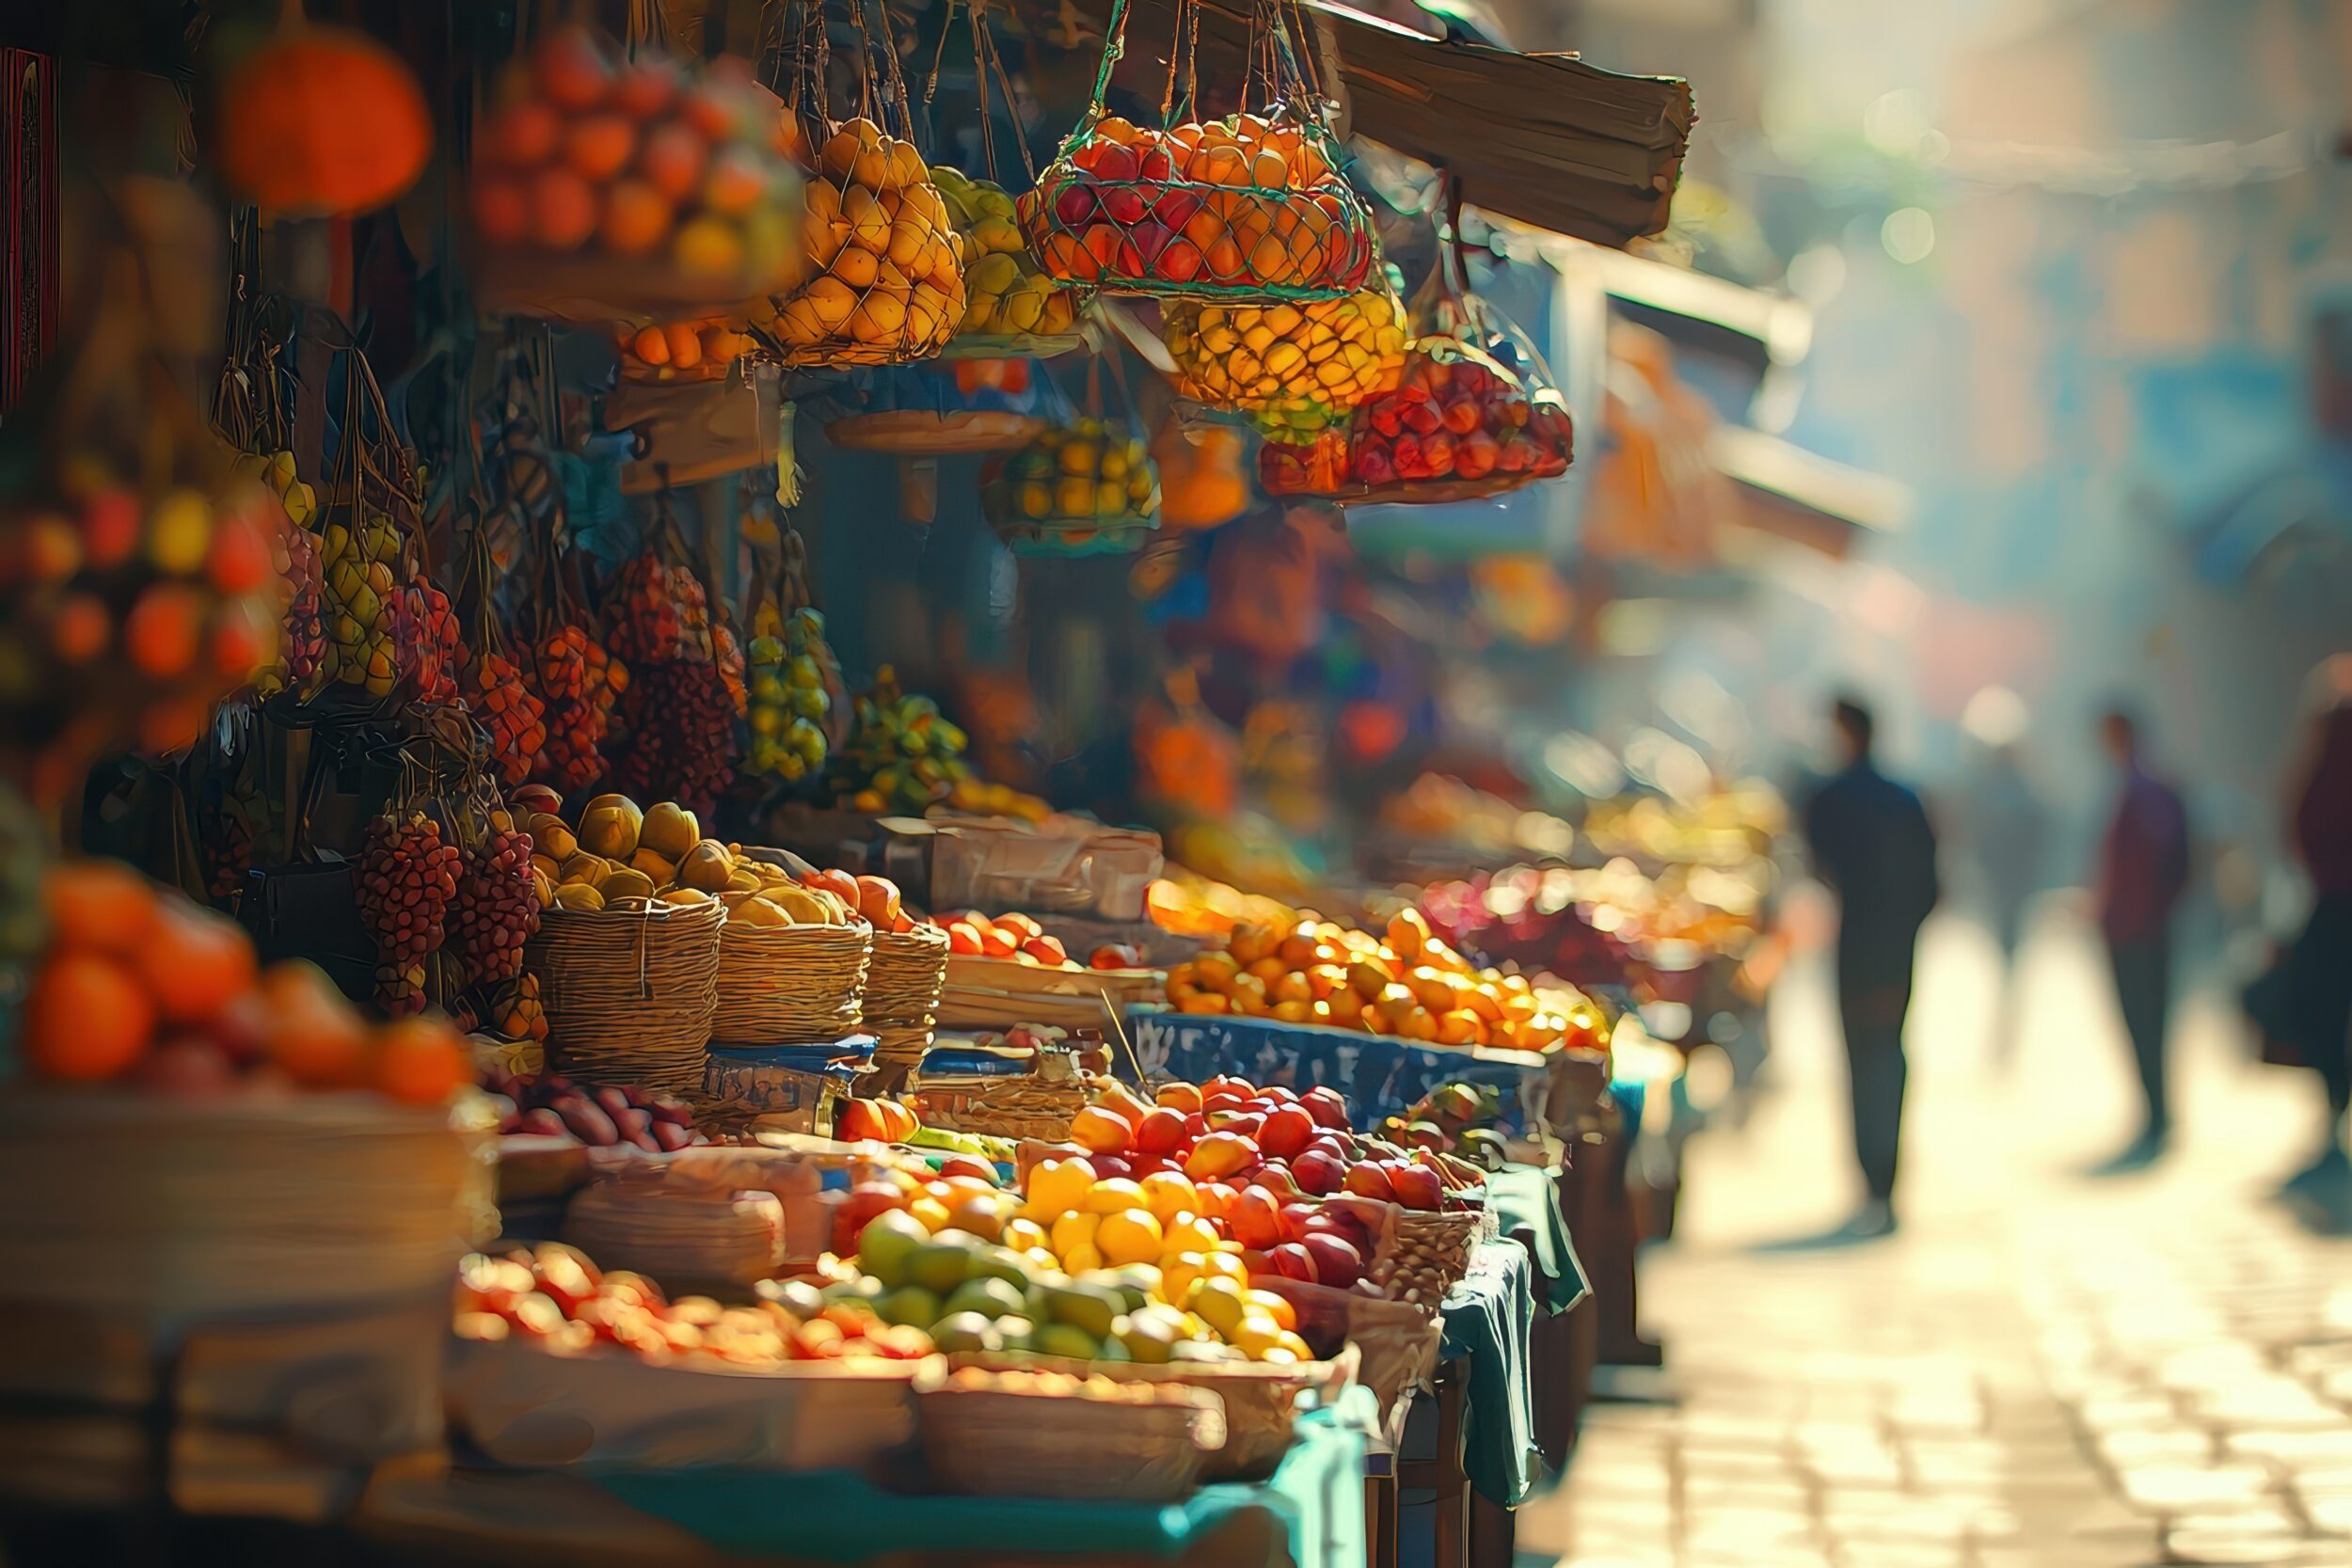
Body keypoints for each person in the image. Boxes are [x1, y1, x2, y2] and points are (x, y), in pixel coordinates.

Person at [1802, 696, 1940, 1238]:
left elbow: (1819, 866)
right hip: (1895, 950)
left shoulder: (1830, 798)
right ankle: (1886, 1175)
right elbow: (1932, 883)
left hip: (1855, 947)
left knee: (1860, 1058)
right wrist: (1903, 927)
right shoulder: (1905, 799)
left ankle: (1870, 1173)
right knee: (1890, 1052)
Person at [2090, 707, 2192, 1171]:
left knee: (2145, 1021)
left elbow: (2161, 862)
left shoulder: (2142, 791)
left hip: (2138, 930)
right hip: (2140, 925)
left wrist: (2140, 912)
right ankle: (2156, 1111)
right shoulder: (2144, 788)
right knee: (2149, 1023)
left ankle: (2157, 1113)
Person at [2274, 659, 2352, 1210]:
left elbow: (2298, 823)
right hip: (2332, 898)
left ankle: (2334, 1104)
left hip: (2333, 903)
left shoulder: (2326, 746)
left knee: (2323, 1010)